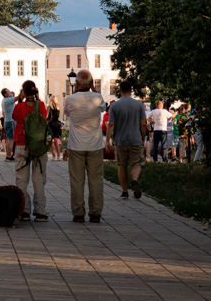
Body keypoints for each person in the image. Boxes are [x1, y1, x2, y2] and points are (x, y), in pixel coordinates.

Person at [65, 69, 106, 222]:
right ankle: (95, 212)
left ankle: (78, 213)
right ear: (91, 83)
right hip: (95, 144)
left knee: (77, 180)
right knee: (96, 179)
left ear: (76, 83)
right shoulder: (97, 97)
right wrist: (94, 90)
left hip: (76, 145)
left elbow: (68, 114)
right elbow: (103, 108)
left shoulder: (70, 99)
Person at [11, 80, 48, 222]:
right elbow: (44, 117)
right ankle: (41, 212)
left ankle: (24, 210)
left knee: (22, 179)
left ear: (24, 92)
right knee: (39, 180)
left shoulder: (19, 107)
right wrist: (37, 99)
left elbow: (14, 117)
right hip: (38, 147)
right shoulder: (42, 106)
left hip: (21, 144)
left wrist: (21, 99)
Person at [107, 78, 147, 199]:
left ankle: (125, 192)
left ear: (120, 90)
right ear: (131, 90)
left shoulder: (114, 106)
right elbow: (143, 124)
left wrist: (107, 140)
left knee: (121, 165)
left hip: (120, 140)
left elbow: (111, 124)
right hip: (136, 139)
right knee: (137, 163)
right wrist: (143, 137)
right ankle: (134, 179)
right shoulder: (139, 105)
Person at [0, 88, 16, 162]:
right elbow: (18, 97)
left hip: (7, 121)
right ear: (5, 94)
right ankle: (9, 156)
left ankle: (8, 155)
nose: (10, 92)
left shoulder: (4, 101)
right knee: (11, 140)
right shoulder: (9, 100)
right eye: (8, 91)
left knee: (8, 139)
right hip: (11, 121)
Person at [47, 95, 63, 159]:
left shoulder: (49, 107)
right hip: (57, 125)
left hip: (51, 124)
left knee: (51, 141)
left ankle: (53, 155)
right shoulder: (57, 108)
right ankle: (58, 156)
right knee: (56, 140)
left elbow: (46, 116)